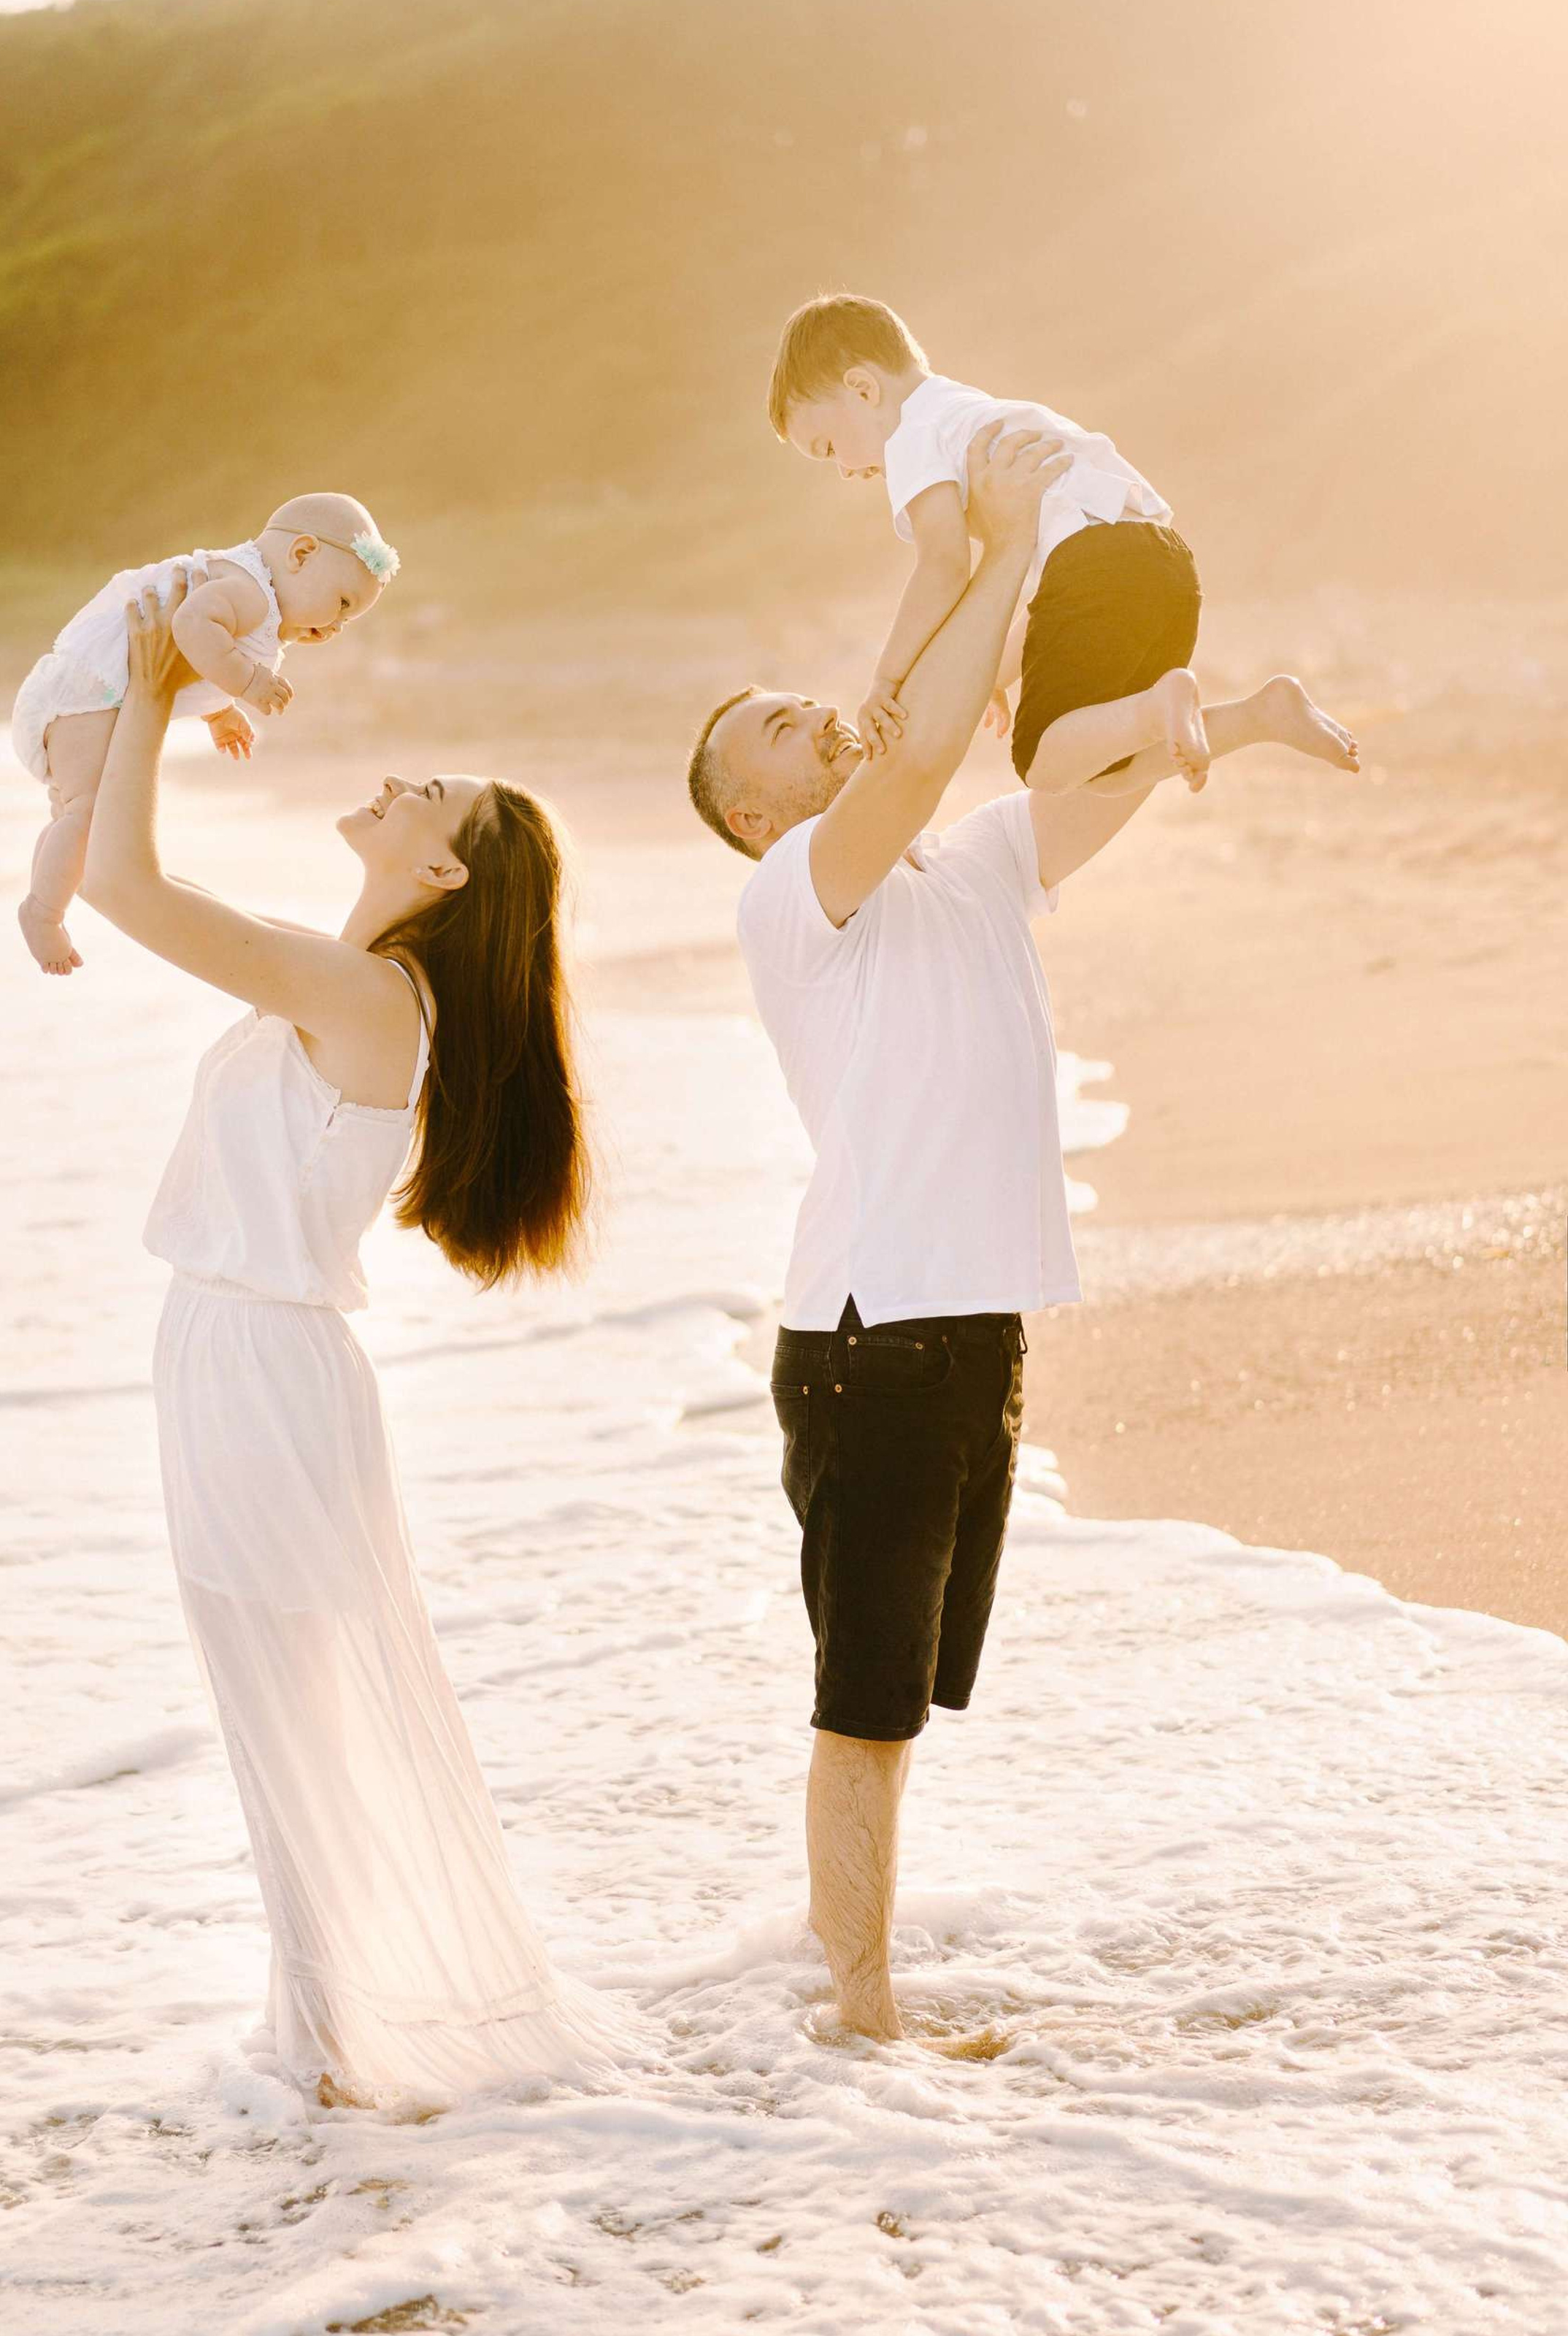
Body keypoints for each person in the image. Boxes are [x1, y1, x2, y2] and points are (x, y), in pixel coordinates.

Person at [684, 423, 1358, 2041]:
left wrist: (1196, 695)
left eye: (793, 697)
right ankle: (860, 2022)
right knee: (863, 1714)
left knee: (903, 1701)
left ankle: (854, 1995)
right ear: (750, 807)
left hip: (964, 1333)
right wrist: (986, 551)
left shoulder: (963, 867)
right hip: (868, 1340)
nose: (808, 715)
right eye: (773, 725)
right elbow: (907, 755)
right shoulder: (792, 896)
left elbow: (1093, 785)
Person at [78, 569, 636, 2106]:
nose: (393, 785)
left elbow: (123, 890)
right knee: (285, 1728)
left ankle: (325, 2073)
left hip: (258, 1370)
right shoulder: (357, 989)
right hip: (244, 1364)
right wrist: (160, 699)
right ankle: (318, 2055)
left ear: (446, 874)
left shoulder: (364, 995)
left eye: (426, 794)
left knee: (286, 1733)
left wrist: (150, 685)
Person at [767, 293, 1360, 801]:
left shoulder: (913, 438)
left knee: (1041, 763)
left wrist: (885, 681)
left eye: (826, 447)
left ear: (863, 389)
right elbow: (1050, 575)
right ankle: (1263, 714)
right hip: (1164, 561)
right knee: (1106, 769)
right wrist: (993, 669)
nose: (843, 470)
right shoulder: (965, 410)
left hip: (1098, 566)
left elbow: (944, 567)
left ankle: (1164, 704)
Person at [12, 492, 399, 974]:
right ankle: (43, 913)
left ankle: (48, 896)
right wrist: (248, 681)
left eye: (349, 618)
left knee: (77, 819)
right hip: (88, 694)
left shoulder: (248, 592)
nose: (339, 624)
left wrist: (218, 711)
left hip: (89, 698)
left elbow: (191, 655)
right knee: (85, 816)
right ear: (301, 554)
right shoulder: (249, 591)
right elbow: (191, 623)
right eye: (342, 603)